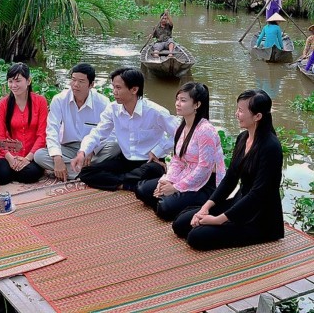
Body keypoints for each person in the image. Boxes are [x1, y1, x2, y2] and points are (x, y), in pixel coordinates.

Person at [172, 90, 284, 250]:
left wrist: (219, 219)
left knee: (196, 237)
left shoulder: (270, 147)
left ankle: (231, 224)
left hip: (260, 216)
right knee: (181, 224)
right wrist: (206, 207)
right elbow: (231, 178)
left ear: (257, 116)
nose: (236, 114)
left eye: (241, 110)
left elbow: (258, 194)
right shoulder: (243, 138)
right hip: (240, 202)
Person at [71, 67, 179, 191]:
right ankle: (129, 184)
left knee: (152, 170)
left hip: (149, 161)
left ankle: (123, 182)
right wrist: (82, 152)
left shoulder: (155, 112)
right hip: (125, 160)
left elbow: (181, 134)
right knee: (86, 173)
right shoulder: (113, 109)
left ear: (134, 89)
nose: (114, 92)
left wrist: (159, 150)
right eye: (113, 87)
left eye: (118, 88)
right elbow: (98, 133)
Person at [135, 82, 226, 220]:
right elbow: (177, 159)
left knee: (164, 207)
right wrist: (167, 180)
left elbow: (204, 168)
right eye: (177, 99)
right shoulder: (181, 126)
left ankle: (195, 205)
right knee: (142, 190)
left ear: (197, 105)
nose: (178, 103)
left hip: (206, 183)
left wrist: (176, 187)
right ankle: (174, 200)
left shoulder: (206, 131)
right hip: (185, 174)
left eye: (183, 100)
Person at [34, 63, 120, 181]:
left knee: (116, 146)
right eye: (73, 80)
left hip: (93, 151)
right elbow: (52, 130)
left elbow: (111, 133)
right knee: (39, 155)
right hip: (68, 148)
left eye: (81, 81)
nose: (75, 85)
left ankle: (73, 171)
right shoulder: (59, 100)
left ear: (91, 85)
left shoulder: (103, 102)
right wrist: (57, 158)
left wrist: (91, 151)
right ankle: (88, 172)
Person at [0, 63, 47, 184]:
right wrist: (11, 159)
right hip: (9, 155)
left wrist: (27, 158)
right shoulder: (3, 104)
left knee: (29, 174)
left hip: (31, 155)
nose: (13, 85)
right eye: (10, 81)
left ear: (28, 81)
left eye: (17, 81)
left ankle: (20, 170)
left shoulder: (40, 101)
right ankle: (12, 169)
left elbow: (42, 135)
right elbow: (0, 136)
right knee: (2, 176)